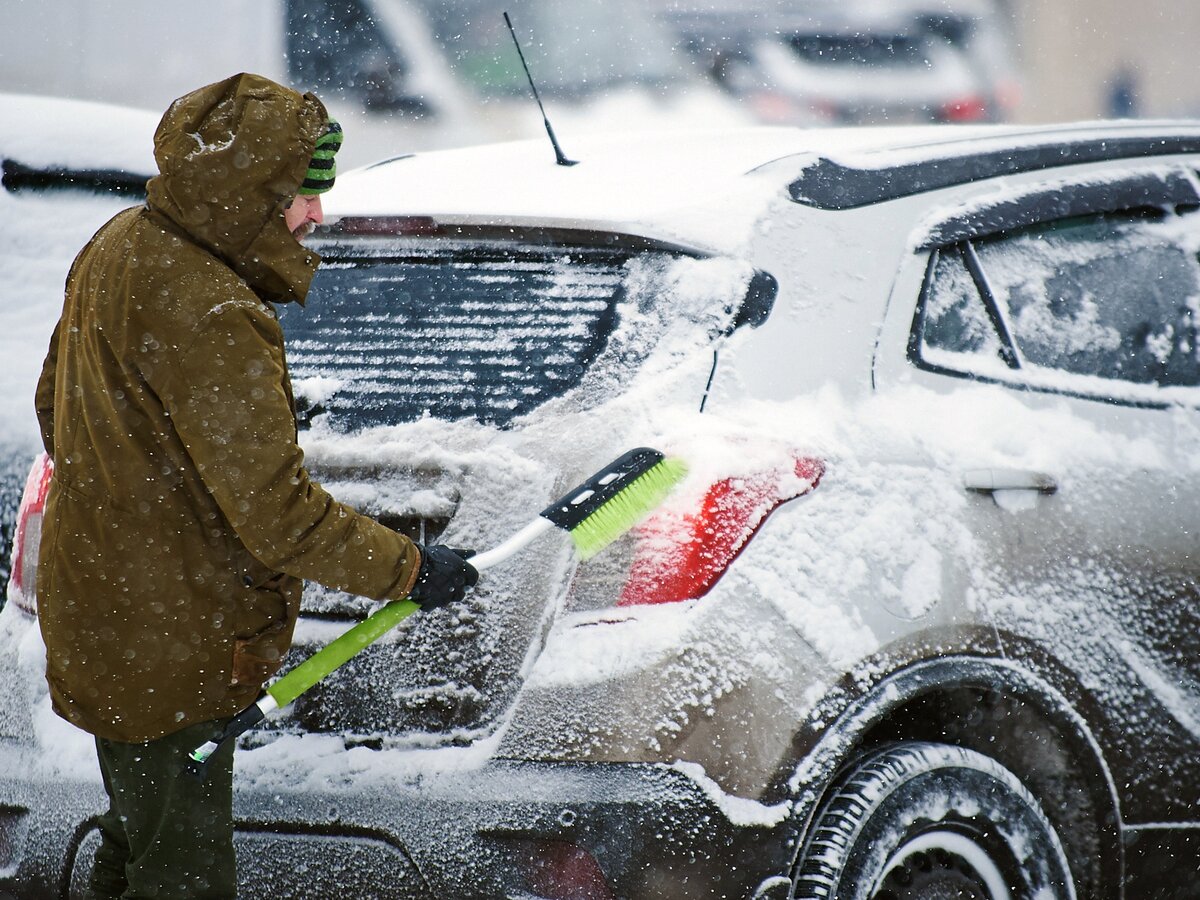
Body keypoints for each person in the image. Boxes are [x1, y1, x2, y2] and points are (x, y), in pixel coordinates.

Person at [34, 72, 478, 899]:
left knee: (140, 836)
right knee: (184, 876)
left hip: (104, 615)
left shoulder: (118, 244)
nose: (317, 215)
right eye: (302, 195)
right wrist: (412, 570)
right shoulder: (213, 309)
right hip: (174, 641)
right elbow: (279, 518)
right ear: (247, 194)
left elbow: (54, 407)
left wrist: (139, 502)